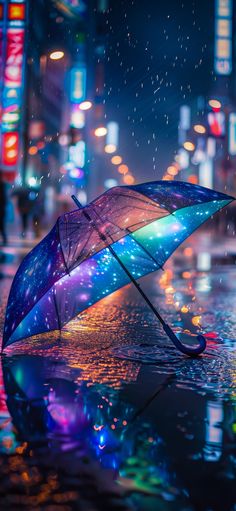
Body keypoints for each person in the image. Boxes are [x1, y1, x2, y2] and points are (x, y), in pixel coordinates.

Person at [0, 173, 8, 245]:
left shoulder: (2, 185)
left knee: (1, 225)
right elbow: (4, 199)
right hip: (1, 209)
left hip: (1, 209)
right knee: (2, 225)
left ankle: (5, 239)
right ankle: (4, 239)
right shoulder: (2, 184)